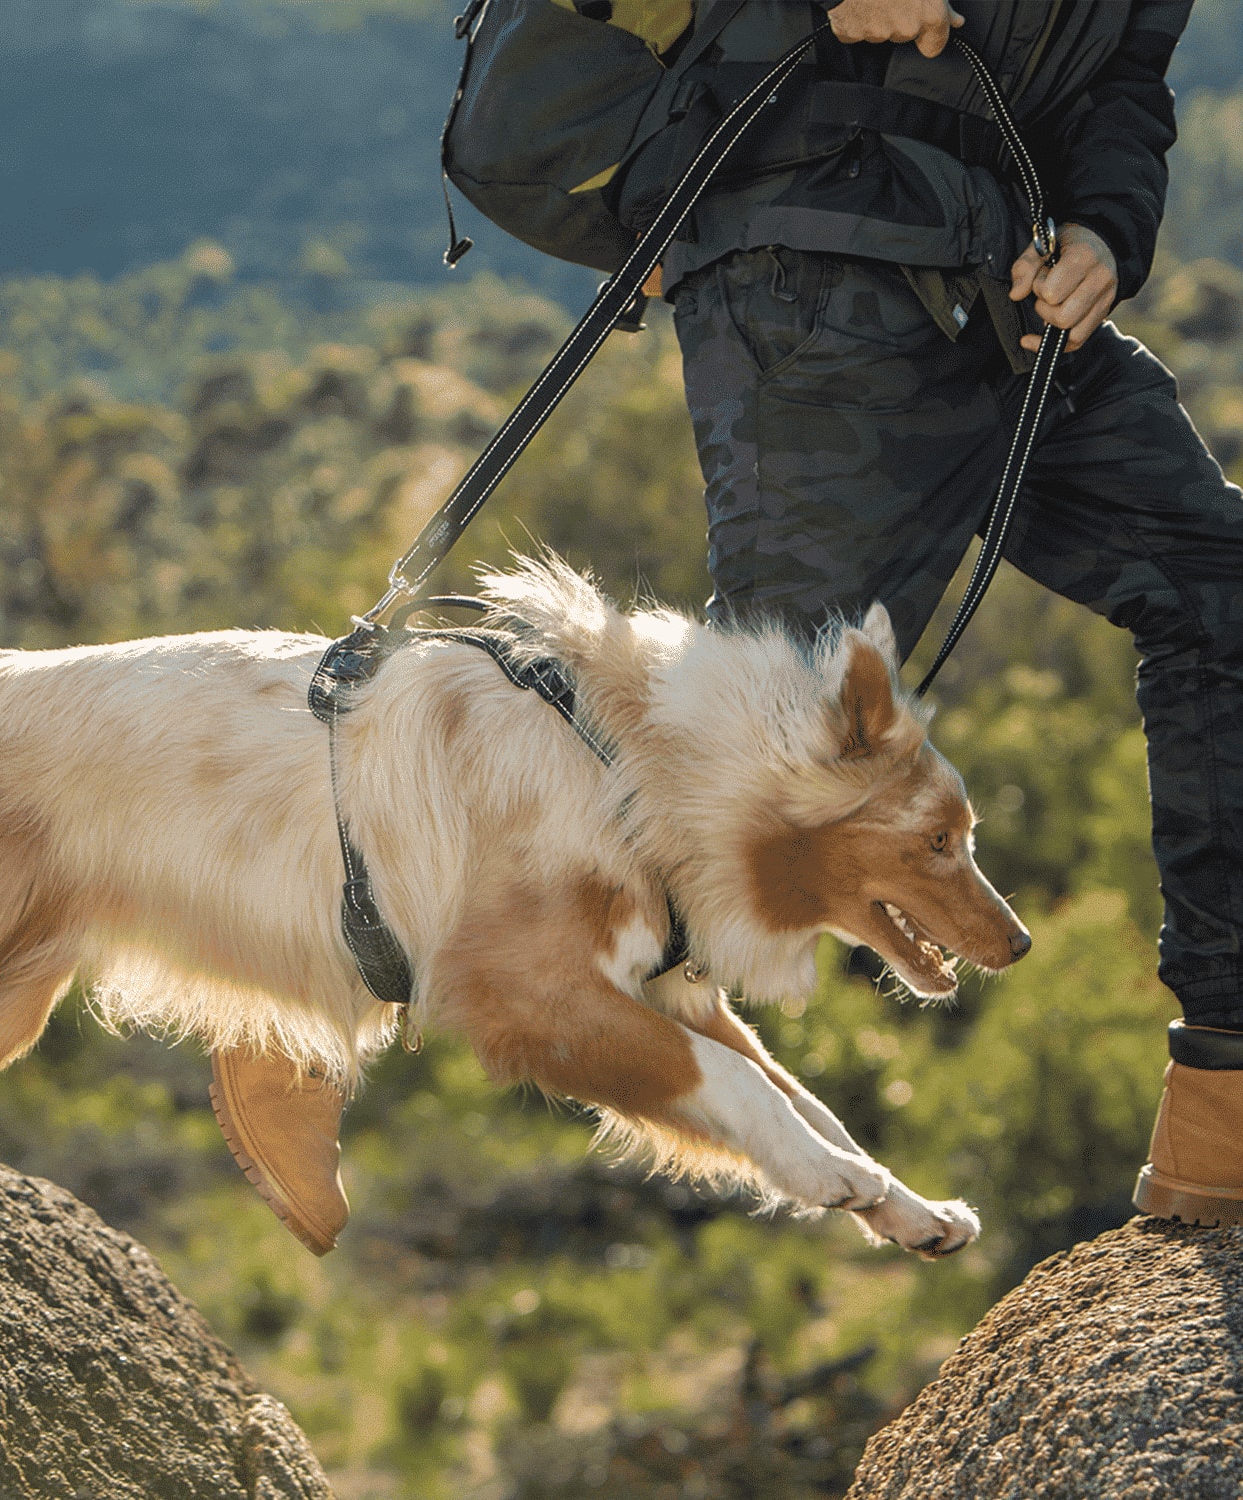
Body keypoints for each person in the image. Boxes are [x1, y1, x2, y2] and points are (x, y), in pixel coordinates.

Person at [218, 0, 1243, 1248]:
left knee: (1223, 595)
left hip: (1016, 298)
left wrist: (1106, 230)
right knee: (740, 765)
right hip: (815, 280)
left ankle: (1224, 1089)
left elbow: (1128, 76)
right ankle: (303, 1001)